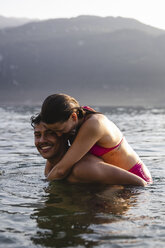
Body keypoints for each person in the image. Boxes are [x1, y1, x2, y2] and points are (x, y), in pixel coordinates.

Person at [40, 94, 152, 184]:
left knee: (78, 171)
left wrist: (43, 188)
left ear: (73, 117)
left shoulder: (94, 124)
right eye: (54, 132)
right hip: (110, 178)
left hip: (135, 179)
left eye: (60, 130)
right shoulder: (73, 120)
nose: (59, 135)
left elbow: (60, 170)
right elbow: (53, 166)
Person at [31, 113, 147, 186]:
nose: (42, 140)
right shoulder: (52, 167)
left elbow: (140, 183)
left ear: (63, 133)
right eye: (37, 135)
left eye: (50, 133)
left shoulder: (82, 168)